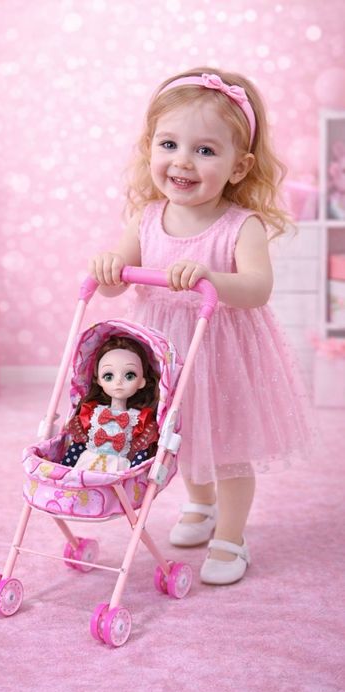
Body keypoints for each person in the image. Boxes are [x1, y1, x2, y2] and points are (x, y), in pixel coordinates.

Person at [88, 67, 313, 585]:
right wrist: (107, 268)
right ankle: (200, 504)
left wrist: (212, 278)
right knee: (179, 434)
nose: (183, 161)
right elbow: (115, 283)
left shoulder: (240, 226)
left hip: (221, 352)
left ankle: (231, 536)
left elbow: (257, 287)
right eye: (169, 144)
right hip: (162, 351)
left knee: (226, 444)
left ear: (239, 166)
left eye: (205, 150)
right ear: (150, 147)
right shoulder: (147, 219)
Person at [61, 335, 160, 473]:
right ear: (99, 381)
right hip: (86, 466)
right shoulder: (91, 413)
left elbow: (140, 457)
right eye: (108, 376)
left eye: (129, 376)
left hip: (117, 472)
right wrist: (64, 470)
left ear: (142, 382)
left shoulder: (140, 420)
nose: (118, 382)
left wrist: (133, 474)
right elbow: (77, 447)